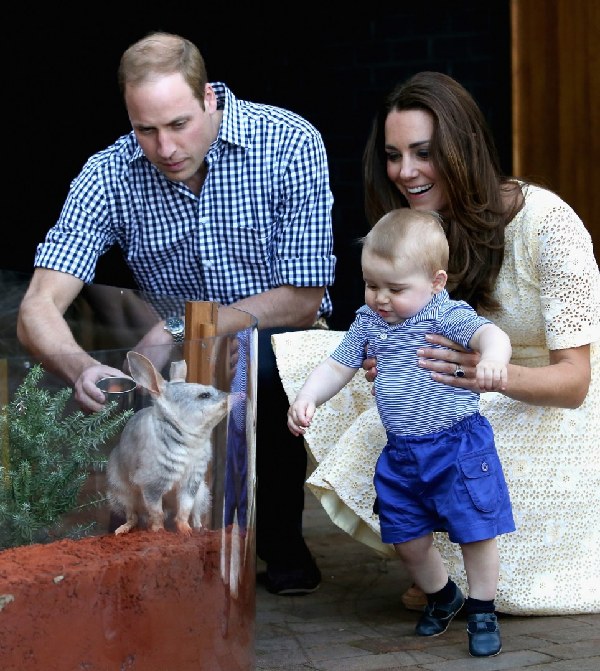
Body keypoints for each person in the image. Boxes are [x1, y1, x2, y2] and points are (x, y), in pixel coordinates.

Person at [16, 31, 336, 596]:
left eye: (180, 124)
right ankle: (134, 550)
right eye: (146, 130)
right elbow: (37, 307)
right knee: (117, 392)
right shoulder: (109, 174)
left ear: (210, 98)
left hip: (279, 335)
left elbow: (305, 296)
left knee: (254, 364)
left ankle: (275, 539)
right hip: (172, 358)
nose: (165, 148)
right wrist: (79, 365)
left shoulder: (289, 141)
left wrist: (180, 326)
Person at [272, 70, 600, 617]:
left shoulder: (548, 223)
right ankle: (424, 565)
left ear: (462, 148)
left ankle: (477, 578)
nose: (404, 172)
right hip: (456, 381)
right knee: (310, 361)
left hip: (550, 401)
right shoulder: (419, 228)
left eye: (423, 153)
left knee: (452, 439)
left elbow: (576, 382)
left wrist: (481, 372)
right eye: (394, 155)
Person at [287, 208, 513, 657]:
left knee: (476, 530)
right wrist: (308, 397)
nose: (381, 298)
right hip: (403, 453)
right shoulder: (368, 323)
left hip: (457, 445)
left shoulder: (445, 315)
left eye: (395, 288)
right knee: (405, 537)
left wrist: (492, 358)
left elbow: (491, 334)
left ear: (435, 282)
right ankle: (442, 594)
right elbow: (338, 364)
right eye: (372, 285)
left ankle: (482, 608)